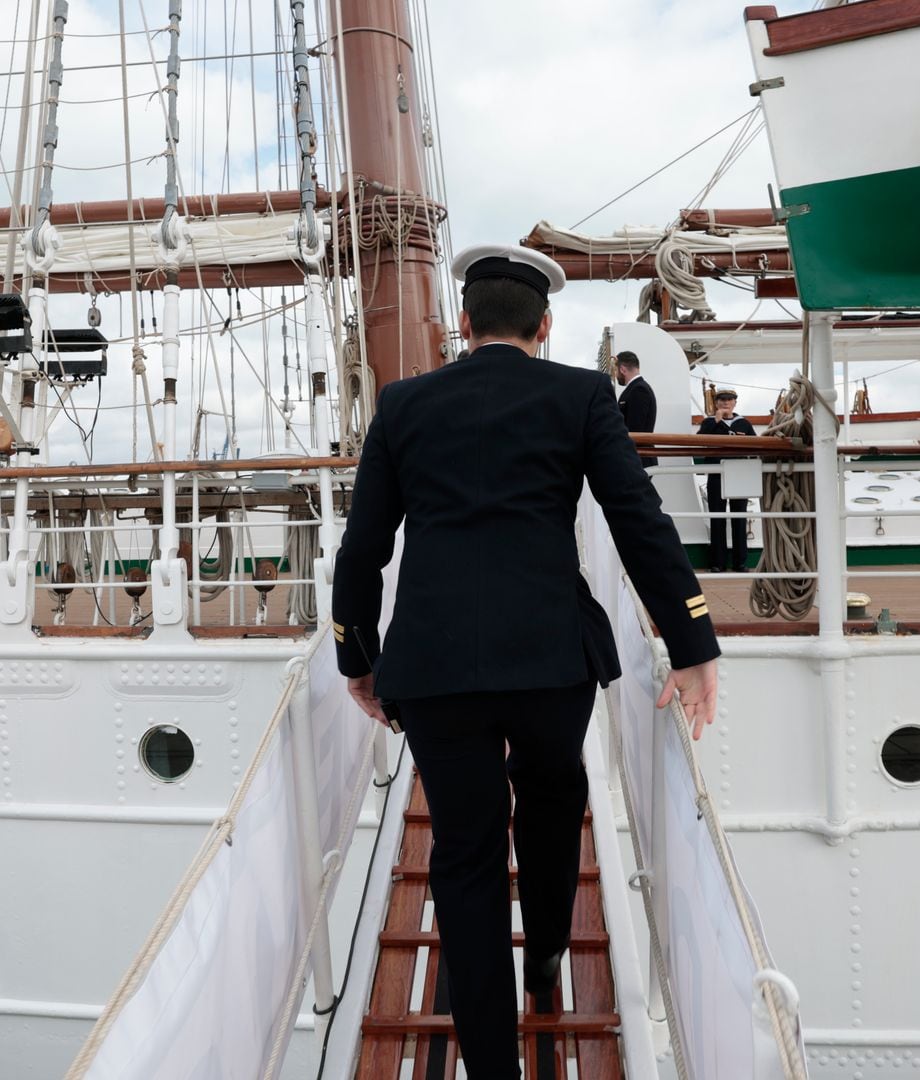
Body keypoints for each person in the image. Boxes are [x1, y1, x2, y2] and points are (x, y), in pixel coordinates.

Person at [332, 243, 719, 1080]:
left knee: (464, 861)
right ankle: (545, 952)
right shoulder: (581, 395)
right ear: (543, 327)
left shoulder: (401, 406)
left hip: (434, 670)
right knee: (552, 807)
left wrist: (355, 657)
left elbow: (362, 549)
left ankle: (491, 1069)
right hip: (551, 661)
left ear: (462, 326)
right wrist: (692, 646)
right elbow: (637, 521)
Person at [698, 389, 755, 573]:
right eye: (722, 400)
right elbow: (700, 441)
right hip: (716, 474)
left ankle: (740, 563)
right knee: (717, 518)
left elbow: (755, 444)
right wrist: (716, 420)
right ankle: (717, 562)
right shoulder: (708, 423)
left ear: (735, 403)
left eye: (729, 400)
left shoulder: (744, 424)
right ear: (716, 403)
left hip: (738, 474)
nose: (725, 403)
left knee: (739, 518)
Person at [614, 349, 658, 469]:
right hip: (635, 458)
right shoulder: (637, 388)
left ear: (622, 369)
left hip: (637, 460)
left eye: (616, 371)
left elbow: (634, 429)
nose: (615, 375)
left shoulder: (639, 390)